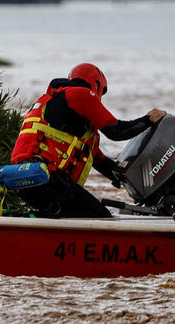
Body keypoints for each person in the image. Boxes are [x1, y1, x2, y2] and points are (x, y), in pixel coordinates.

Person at [10, 62, 166, 218]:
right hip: (48, 178)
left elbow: (99, 161)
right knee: (99, 214)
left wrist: (127, 178)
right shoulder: (81, 94)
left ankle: (38, 226)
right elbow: (117, 131)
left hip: (23, 179)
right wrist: (148, 120)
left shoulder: (54, 103)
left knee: (63, 212)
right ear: (97, 85)